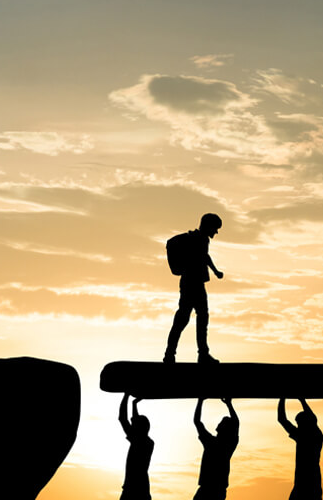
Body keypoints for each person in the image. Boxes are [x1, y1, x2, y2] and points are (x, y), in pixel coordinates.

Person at [164, 214, 225, 364]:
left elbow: (205, 256)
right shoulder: (198, 239)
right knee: (184, 319)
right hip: (191, 284)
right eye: (215, 228)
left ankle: (200, 353)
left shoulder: (202, 239)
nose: (216, 232)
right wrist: (215, 271)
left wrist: (215, 271)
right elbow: (204, 257)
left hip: (196, 283)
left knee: (199, 317)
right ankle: (171, 354)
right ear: (208, 226)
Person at [193, 398, 239, 500]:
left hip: (211, 490)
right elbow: (236, 423)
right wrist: (229, 404)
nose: (219, 423)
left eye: (222, 422)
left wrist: (200, 401)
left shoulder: (213, 443)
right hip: (214, 490)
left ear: (221, 427)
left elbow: (197, 421)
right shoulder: (229, 445)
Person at [277, 398, 323, 500]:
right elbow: (313, 419)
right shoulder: (317, 435)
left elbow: (282, 419)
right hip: (309, 480)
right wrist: (302, 401)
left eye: (299, 423)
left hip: (305, 481)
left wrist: (282, 399)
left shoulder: (303, 435)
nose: (297, 425)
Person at [119, 394, 154, 500]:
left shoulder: (138, 441)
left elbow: (122, 418)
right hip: (141, 489)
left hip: (133, 490)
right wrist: (134, 404)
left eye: (134, 424)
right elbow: (135, 422)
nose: (132, 424)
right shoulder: (147, 441)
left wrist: (126, 396)